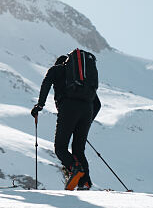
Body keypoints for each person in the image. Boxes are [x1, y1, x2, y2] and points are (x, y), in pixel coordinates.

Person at [31, 54, 101, 190]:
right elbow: (97, 104)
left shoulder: (55, 70)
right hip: (87, 110)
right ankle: (85, 183)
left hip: (68, 108)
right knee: (79, 150)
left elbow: (45, 84)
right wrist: (87, 122)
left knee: (60, 148)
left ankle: (74, 168)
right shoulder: (83, 83)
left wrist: (39, 105)